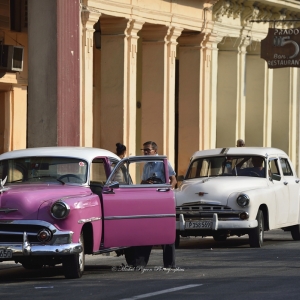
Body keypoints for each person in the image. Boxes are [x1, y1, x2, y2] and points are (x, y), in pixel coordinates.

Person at [125, 141, 177, 269]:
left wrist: (168, 190)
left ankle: (169, 264)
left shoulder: (162, 163)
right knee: (145, 229)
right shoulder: (146, 165)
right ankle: (140, 263)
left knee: (166, 231)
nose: (146, 152)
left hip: (161, 199)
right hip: (148, 200)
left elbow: (174, 179)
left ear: (155, 150)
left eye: (148, 150)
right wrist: (146, 183)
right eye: (144, 150)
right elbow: (143, 181)